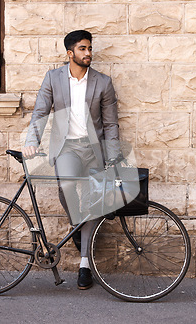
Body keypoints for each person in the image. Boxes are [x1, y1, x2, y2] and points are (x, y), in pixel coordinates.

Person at [22, 30, 120, 290]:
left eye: (90, 48)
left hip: (94, 150)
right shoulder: (53, 78)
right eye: (83, 49)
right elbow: (40, 110)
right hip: (66, 148)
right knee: (66, 187)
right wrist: (32, 140)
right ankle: (78, 224)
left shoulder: (103, 82)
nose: (88, 53)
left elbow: (110, 124)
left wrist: (112, 157)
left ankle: (85, 264)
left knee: (93, 203)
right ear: (70, 53)